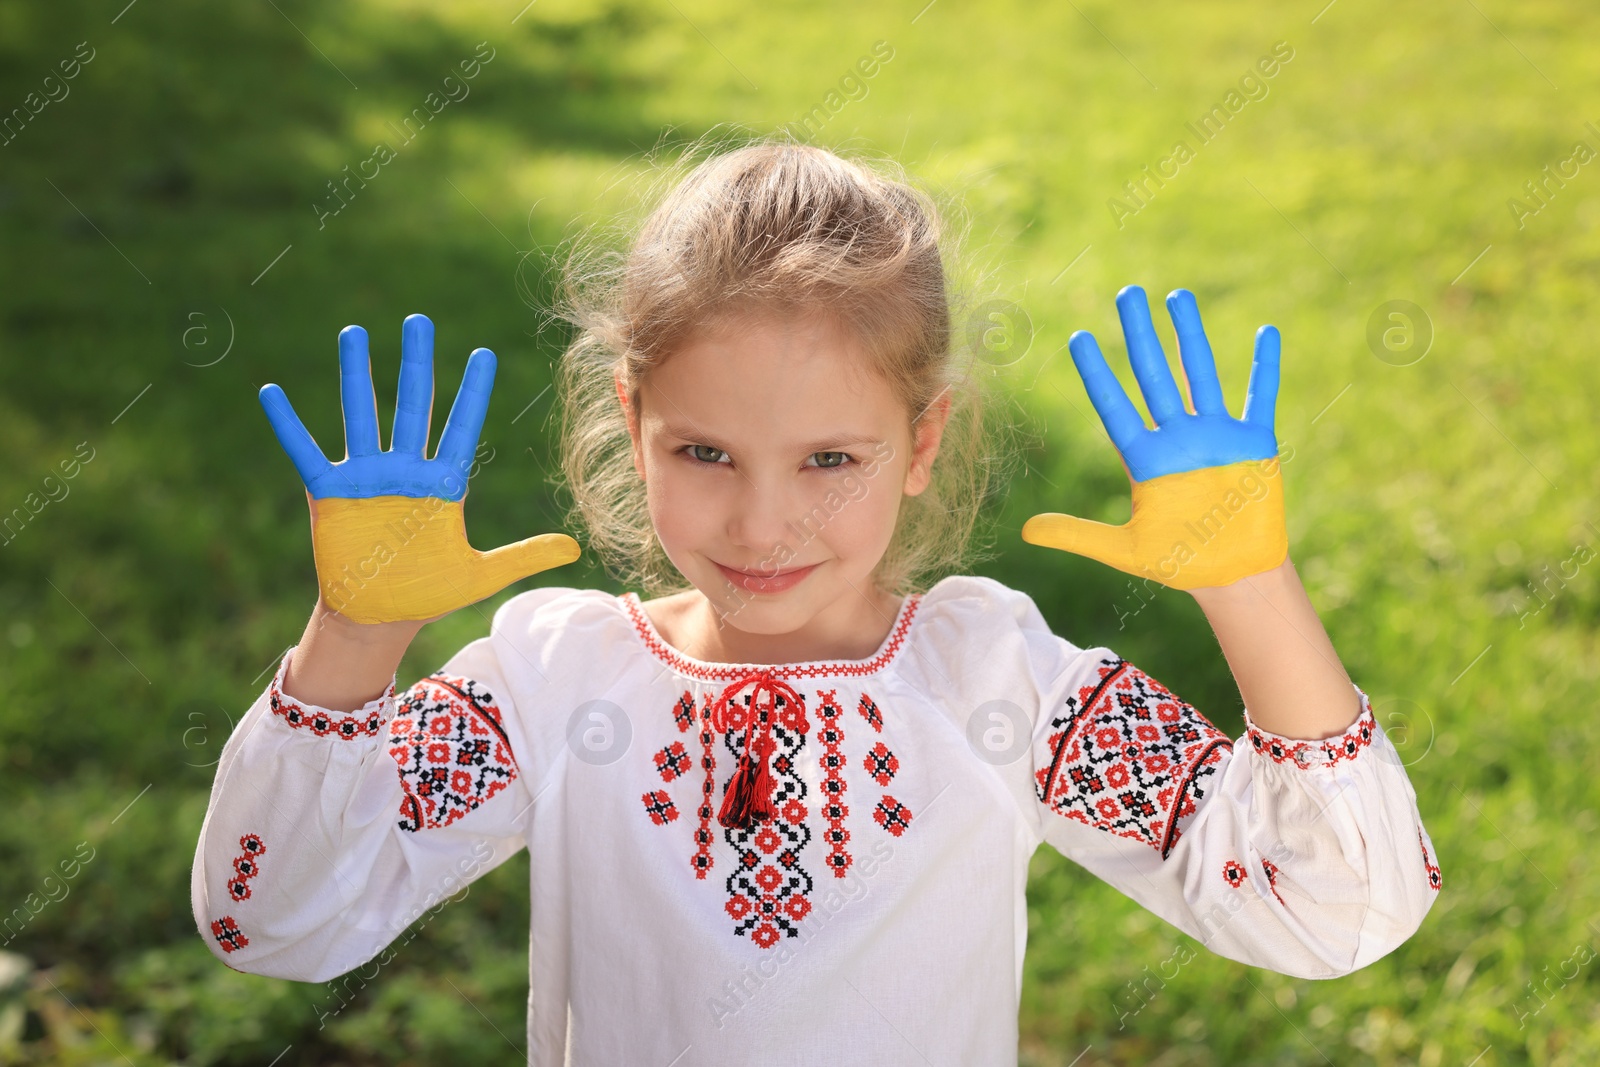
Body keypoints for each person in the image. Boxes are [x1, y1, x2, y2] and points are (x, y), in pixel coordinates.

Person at [190, 140, 1441, 1064]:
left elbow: (1328, 906)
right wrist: (353, 638)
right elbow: (275, 915)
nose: (760, 522)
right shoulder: (552, 681)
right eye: (705, 453)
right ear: (633, 427)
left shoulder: (995, 679)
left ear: (923, 437)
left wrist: (1246, 587)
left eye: (829, 461)